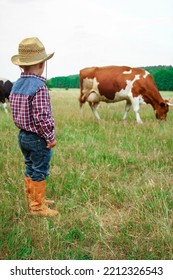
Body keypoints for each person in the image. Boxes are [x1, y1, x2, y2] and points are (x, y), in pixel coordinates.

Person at [9, 37, 58, 216]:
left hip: (22, 136)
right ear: (41, 64)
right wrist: (50, 137)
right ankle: (37, 207)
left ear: (22, 65)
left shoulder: (16, 85)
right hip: (38, 138)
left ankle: (35, 199)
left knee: (30, 165)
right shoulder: (40, 87)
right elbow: (41, 117)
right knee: (40, 168)